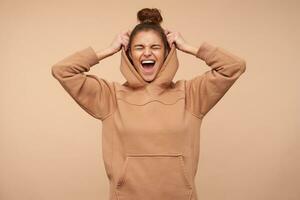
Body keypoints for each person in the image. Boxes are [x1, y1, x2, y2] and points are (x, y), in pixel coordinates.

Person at [51, 7, 246, 200]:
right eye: (139, 47)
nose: (147, 53)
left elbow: (233, 67)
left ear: (167, 52)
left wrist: (189, 48)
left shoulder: (191, 94)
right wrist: (109, 50)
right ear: (128, 53)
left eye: (155, 47)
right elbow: (63, 71)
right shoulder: (110, 96)